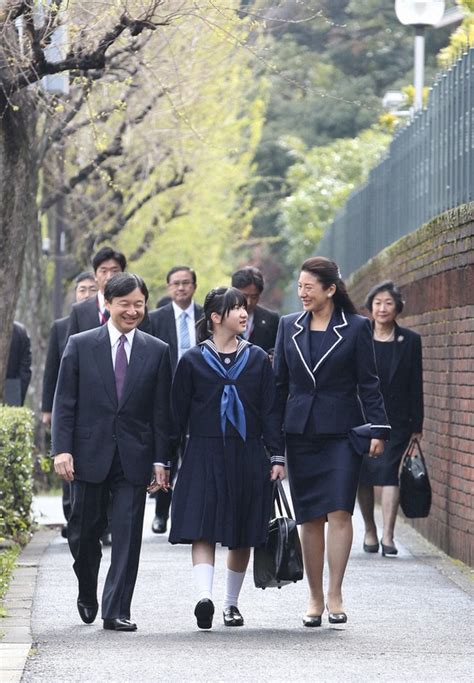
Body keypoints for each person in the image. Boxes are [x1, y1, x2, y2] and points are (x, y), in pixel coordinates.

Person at [52, 273, 173, 631]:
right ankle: (87, 587)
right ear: (107, 303)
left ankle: (116, 608)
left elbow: (161, 412)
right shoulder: (79, 344)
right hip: (89, 454)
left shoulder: (157, 350)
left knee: (127, 534)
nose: (133, 311)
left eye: (139, 304)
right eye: (125, 304)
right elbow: (65, 403)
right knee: (84, 533)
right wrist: (62, 449)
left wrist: (160, 460)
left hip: (133, 458)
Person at [273, 256, 390, 627]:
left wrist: (378, 428)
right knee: (310, 517)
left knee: (340, 510)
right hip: (301, 432)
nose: (302, 293)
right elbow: (278, 387)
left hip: (342, 431)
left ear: (330, 289)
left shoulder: (356, 327)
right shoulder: (287, 325)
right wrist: (273, 443)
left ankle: (336, 592)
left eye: (309, 287)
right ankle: (314, 596)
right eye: (300, 287)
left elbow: (368, 382)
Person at [169, 287, 285, 630]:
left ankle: (231, 604)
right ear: (216, 318)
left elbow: (270, 411)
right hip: (203, 452)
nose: (244, 313)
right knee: (202, 527)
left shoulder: (258, 361)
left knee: (243, 530)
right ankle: (204, 598)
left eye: (244, 308)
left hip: (247, 453)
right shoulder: (191, 360)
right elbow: (176, 416)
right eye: (235, 309)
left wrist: (276, 456)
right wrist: (163, 461)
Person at [358, 281, 423, 557]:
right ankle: (370, 530)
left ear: (397, 308)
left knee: (388, 474)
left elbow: (415, 384)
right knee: (362, 476)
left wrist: (417, 425)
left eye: (388, 303)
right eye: (378, 303)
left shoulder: (409, 340)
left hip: (397, 420)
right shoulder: (359, 336)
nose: (382, 308)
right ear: (370, 307)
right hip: (360, 418)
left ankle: (388, 535)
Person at [42, 271, 98, 537]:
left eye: (92, 289)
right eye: (82, 289)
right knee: (66, 460)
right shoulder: (62, 326)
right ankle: (71, 515)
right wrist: (47, 408)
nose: (87, 294)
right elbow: (52, 370)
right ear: (75, 294)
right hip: (66, 405)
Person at [148, 266, 203, 534]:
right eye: (176, 284)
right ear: (168, 287)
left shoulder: (207, 316)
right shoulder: (155, 319)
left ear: (194, 286)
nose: (181, 288)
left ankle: (193, 511)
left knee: (196, 457)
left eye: (186, 283)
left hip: (200, 397)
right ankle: (161, 512)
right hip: (166, 397)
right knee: (165, 456)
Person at [231, 266, 279, 353]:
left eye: (254, 297)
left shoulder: (271, 319)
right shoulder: (220, 317)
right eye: (244, 296)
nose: (249, 302)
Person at [5, 322, 32, 406]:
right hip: (12, 390)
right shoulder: (20, 331)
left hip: (11, 389)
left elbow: (24, 371)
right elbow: (25, 372)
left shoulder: (19, 332)